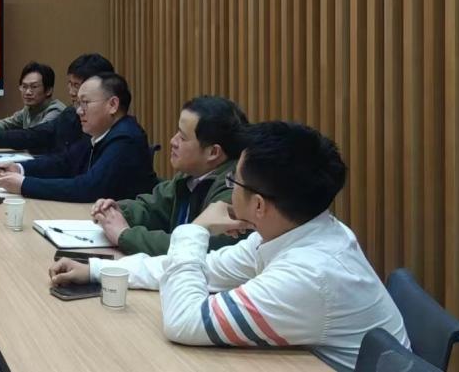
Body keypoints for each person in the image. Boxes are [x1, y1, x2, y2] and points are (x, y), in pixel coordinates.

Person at [50, 121, 407, 370]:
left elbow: (185, 322)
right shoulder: (294, 232)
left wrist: (196, 229)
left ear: (259, 205)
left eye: (234, 179)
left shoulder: (310, 275)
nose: (229, 185)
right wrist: (99, 269)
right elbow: (205, 269)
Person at [89, 95, 249, 255]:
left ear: (213, 152)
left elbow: (191, 248)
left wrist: (125, 236)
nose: (173, 141)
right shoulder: (191, 176)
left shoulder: (235, 191)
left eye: (183, 137)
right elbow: (153, 208)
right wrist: (117, 210)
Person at [0, 72, 158, 202]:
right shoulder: (99, 132)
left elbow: (88, 187)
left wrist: (24, 185)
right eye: (78, 103)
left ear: (112, 105)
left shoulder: (126, 139)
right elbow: (64, 162)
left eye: (85, 103)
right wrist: (19, 168)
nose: (79, 111)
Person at [0, 53, 114, 155]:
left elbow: (39, 140)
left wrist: (24, 182)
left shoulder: (119, 138)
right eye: (70, 84)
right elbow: (35, 134)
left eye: (77, 85)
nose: (72, 92)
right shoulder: (70, 114)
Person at [0, 62, 66, 136]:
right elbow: (8, 123)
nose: (28, 92)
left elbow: (35, 135)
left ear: (48, 90)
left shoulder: (56, 111)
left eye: (34, 87)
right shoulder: (29, 109)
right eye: (24, 87)